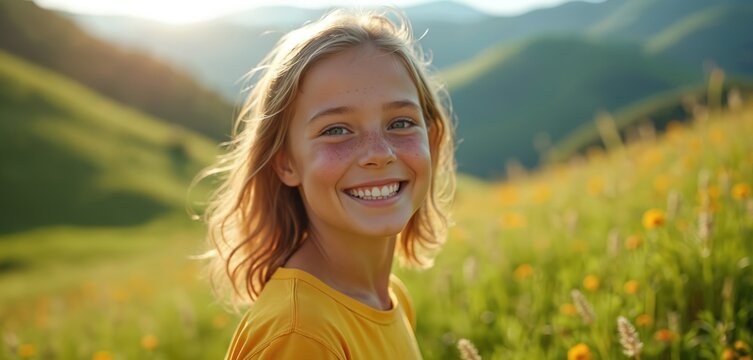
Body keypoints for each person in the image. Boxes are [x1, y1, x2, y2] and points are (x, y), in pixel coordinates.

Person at [199, 8, 456, 359]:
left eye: (400, 122)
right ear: (286, 163)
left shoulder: (390, 299)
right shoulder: (302, 335)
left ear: (432, 137)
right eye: (336, 130)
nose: (378, 154)